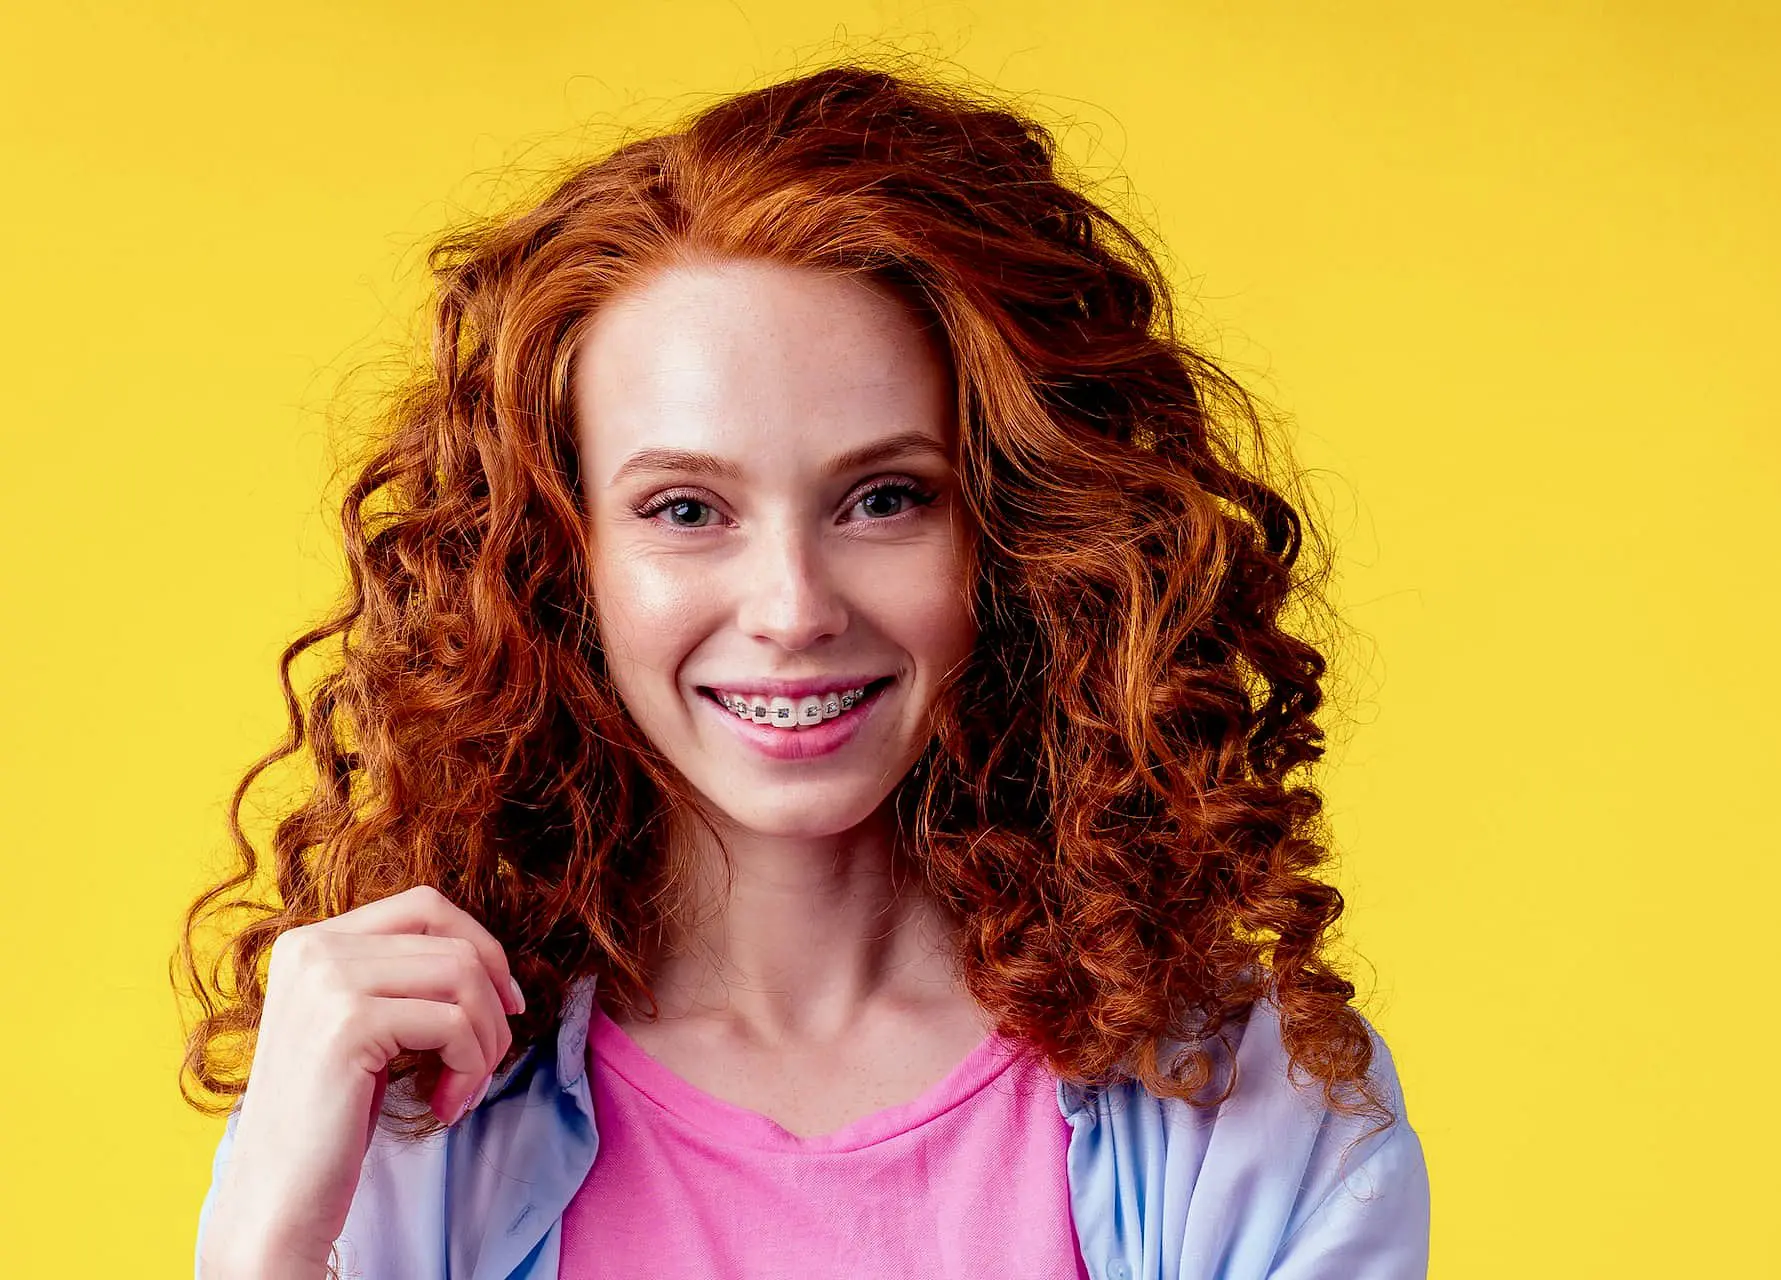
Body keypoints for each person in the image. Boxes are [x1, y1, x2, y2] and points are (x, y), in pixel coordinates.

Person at [180, 62, 1430, 1280]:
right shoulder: (395, 1124)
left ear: (1016, 535)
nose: (792, 608)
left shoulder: (1248, 1099)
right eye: (684, 508)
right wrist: (263, 1253)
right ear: (559, 561)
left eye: (884, 498)